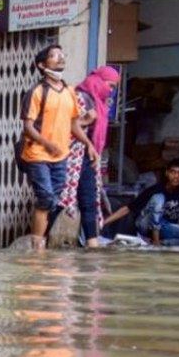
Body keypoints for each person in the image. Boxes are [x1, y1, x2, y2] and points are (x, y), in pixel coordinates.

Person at [18, 45, 96, 249]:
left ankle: (39, 240)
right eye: (54, 56)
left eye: (61, 54)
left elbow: (73, 124)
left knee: (53, 200)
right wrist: (47, 143)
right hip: (37, 154)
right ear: (42, 65)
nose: (60, 58)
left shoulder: (69, 91)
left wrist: (88, 144)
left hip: (60, 155)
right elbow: (27, 126)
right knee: (45, 197)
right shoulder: (37, 91)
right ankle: (38, 245)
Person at [56, 66, 120, 247]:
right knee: (60, 199)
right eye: (110, 85)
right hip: (70, 156)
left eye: (114, 88)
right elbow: (64, 127)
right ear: (99, 80)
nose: (111, 91)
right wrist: (86, 123)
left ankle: (93, 246)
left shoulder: (98, 102)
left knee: (89, 200)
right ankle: (41, 239)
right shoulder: (78, 98)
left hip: (88, 157)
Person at [103, 158, 179, 245]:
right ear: (167, 173)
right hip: (146, 224)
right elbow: (128, 208)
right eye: (173, 172)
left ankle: (161, 244)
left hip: (165, 227)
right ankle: (156, 243)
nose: (176, 176)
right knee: (158, 199)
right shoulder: (156, 189)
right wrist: (103, 223)